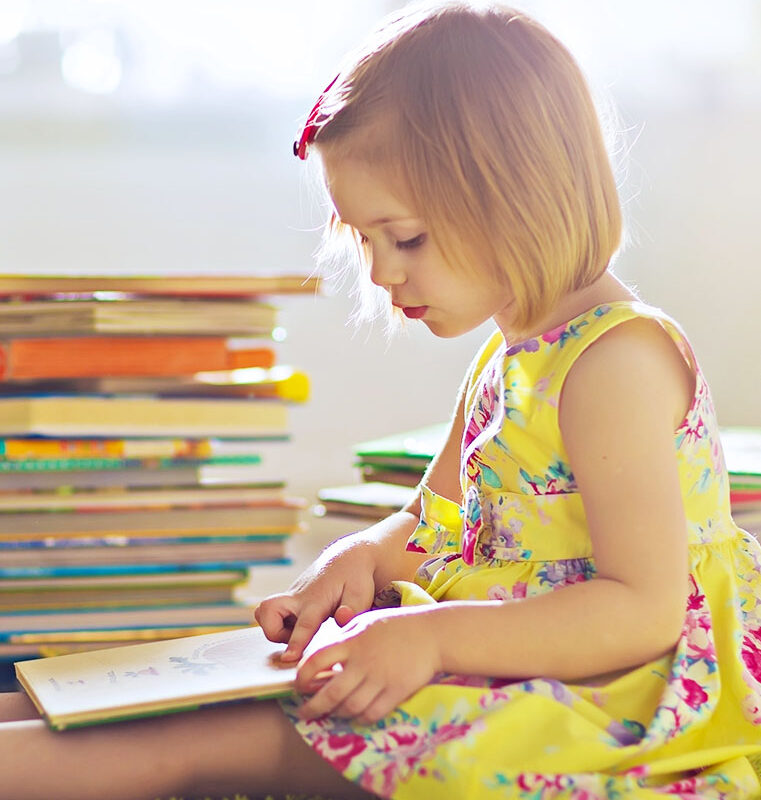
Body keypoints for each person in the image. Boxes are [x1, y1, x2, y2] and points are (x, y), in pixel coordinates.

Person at [2, 3, 760, 799]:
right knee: (84, 700)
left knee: (196, 739)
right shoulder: (512, 355)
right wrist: (354, 560)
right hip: (506, 651)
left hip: (612, 697)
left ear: (520, 194)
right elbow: (432, 524)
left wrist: (428, 639)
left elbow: (641, 611)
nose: (382, 273)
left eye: (405, 239)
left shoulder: (615, 362)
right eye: (364, 240)